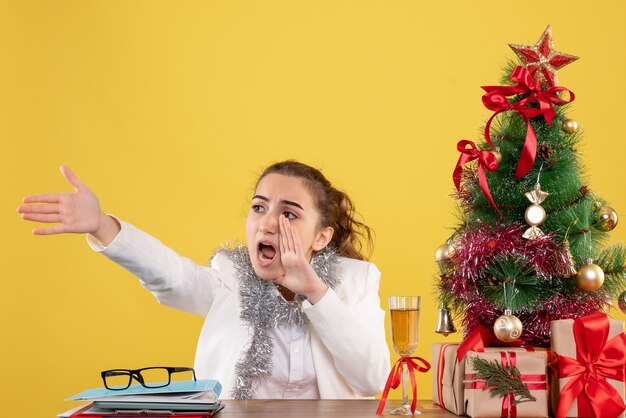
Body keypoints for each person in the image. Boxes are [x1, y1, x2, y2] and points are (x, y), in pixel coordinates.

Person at [18, 160, 390, 399]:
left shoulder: (355, 282)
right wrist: (101, 225)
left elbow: (372, 380)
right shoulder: (229, 279)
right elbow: (171, 274)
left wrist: (314, 291)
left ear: (321, 237)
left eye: (289, 214)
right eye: (259, 207)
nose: (268, 222)